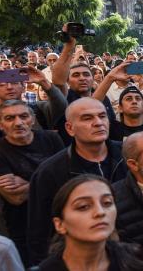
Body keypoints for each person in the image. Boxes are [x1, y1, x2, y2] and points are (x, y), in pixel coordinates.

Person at [27, 98, 128, 265]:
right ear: (69, 128)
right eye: (87, 118)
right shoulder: (50, 172)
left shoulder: (128, 155)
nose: (98, 123)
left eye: (102, 116)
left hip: (125, 257)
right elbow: (39, 233)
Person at [0, 100, 65, 264]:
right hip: (24, 229)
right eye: (10, 118)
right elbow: (16, 198)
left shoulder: (52, 138)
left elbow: (68, 182)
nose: (18, 123)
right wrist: (52, 180)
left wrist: (28, 183)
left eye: (23, 116)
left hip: (60, 223)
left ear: (32, 119)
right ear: (0, 124)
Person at [37, 175, 143, 270]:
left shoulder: (135, 260)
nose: (100, 212)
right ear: (60, 224)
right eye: (83, 206)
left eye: (107, 203)